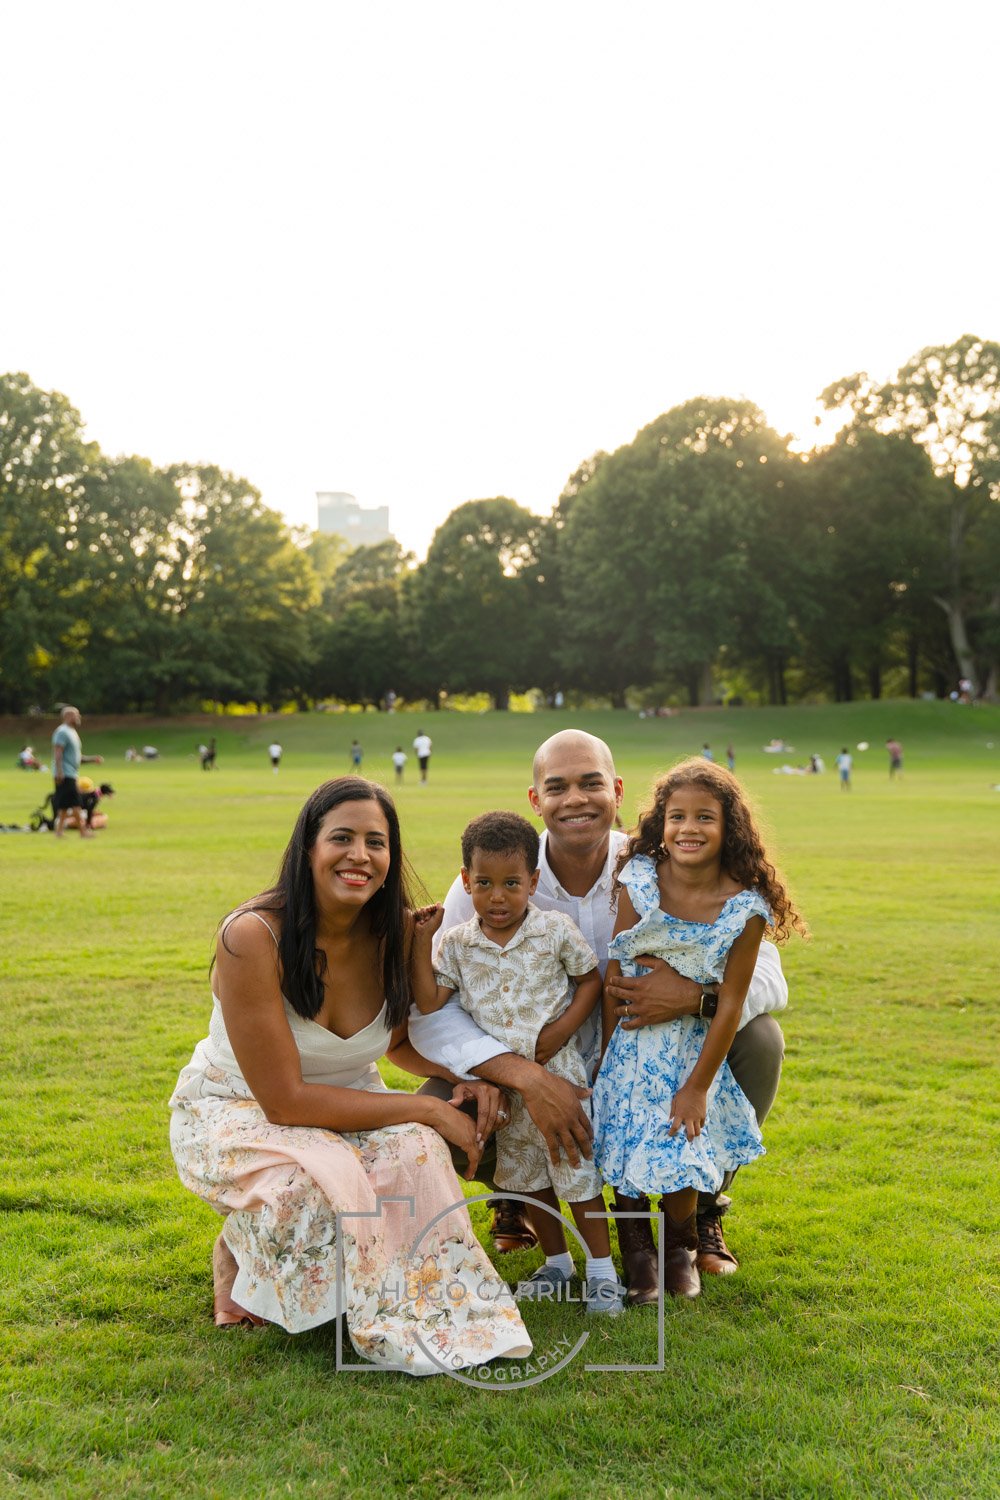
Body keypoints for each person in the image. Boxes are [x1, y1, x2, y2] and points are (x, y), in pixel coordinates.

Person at [409, 730, 788, 1304]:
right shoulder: (494, 876)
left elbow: (766, 977)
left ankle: (698, 1210)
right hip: (537, 1058)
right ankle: (520, 1197)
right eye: (557, 787)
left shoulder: (659, 863)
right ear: (535, 799)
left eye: (591, 783)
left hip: (646, 1045)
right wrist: (520, 1074)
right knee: (440, 1099)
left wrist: (692, 997)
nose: (576, 799)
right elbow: (432, 1014)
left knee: (759, 1039)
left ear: (615, 790)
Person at [169, 776, 530, 1375]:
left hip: (343, 1103)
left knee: (417, 1153)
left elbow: (392, 1043)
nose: (359, 855)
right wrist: (428, 1106)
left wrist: (460, 1078)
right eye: (342, 837)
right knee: (315, 1185)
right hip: (239, 1111)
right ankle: (240, 1253)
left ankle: (420, 1297)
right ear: (309, 847)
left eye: (376, 842)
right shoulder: (251, 938)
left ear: (390, 859)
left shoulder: (392, 934)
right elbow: (285, 1101)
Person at [593, 759, 806, 1299]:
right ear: (660, 825)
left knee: (682, 1143)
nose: (689, 828)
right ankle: (638, 1253)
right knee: (627, 1139)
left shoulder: (744, 907)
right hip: (633, 1038)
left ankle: (680, 1246)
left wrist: (696, 1086)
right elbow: (616, 969)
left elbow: (732, 1002)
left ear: (729, 827)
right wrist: (604, 1050)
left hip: (693, 1045)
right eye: (676, 816)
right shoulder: (638, 879)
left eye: (705, 818)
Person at [412, 811, 622, 1315]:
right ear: (466, 882)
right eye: (483, 884)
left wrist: (564, 1028)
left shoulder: (554, 931)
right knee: (528, 1180)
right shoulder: (458, 944)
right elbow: (430, 999)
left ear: (532, 882)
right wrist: (421, 942)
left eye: (511, 883)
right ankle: (557, 1263)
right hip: (505, 1085)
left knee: (576, 1174)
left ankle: (601, 1272)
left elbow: (591, 980)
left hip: (559, 1076)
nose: (497, 897)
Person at [51, 707, 104, 839]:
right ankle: (83, 832)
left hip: (71, 773)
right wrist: (59, 772)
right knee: (75, 803)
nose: (79, 717)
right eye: (76, 715)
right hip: (65, 774)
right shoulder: (62, 732)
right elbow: (58, 753)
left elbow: (76, 757)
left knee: (64, 804)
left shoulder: (72, 732)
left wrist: (93, 759)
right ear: (68, 716)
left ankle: (58, 832)